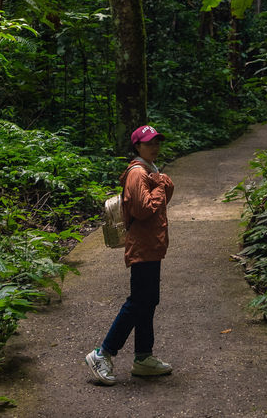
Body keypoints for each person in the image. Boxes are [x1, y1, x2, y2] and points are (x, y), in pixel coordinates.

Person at [85, 125, 174, 385]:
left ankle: (143, 358)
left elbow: (164, 196)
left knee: (148, 302)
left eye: (157, 142)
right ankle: (102, 353)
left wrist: (161, 183)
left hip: (152, 246)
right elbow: (145, 209)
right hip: (143, 247)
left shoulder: (151, 171)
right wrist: (162, 185)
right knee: (138, 302)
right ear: (138, 147)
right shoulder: (137, 173)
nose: (155, 147)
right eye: (149, 143)